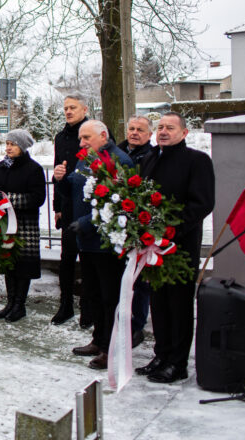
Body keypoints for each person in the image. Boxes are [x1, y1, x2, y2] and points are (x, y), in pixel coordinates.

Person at [135, 112, 215, 384]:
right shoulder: (149, 158)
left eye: (170, 127)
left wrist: (171, 230)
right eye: (160, 127)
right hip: (152, 247)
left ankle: (177, 363)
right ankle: (161, 354)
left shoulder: (197, 161)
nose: (163, 132)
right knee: (158, 303)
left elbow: (202, 203)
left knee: (178, 305)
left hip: (179, 246)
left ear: (184, 132)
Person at [54, 120, 133, 370]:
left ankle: (111, 348)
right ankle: (98, 340)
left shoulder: (119, 160)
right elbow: (75, 192)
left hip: (106, 242)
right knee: (94, 295)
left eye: (86, 138)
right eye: (80, 138)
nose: (81, 143)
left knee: (110, 298)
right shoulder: (85, 158)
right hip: (86, 241)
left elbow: (117, 202)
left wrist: (87, 223)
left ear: (103, 135)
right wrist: (62, 180)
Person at [0, 129, 46, 322]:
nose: (8, 147)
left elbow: (37, 198)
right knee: (8, 264)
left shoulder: (34, 169)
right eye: (7, 143)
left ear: (23, 146)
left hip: (24, 224)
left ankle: (20, 305)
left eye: (13, 144)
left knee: (23, 266)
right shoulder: (1, 166)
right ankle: (10, 302)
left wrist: (7, 200)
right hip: (4, 223)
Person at [51, 93, 91, 326]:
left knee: (87, 261)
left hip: (88, 205)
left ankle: (88, 309)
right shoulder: (61, 137)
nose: (68, 111)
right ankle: (65, 305)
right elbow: (58, 172)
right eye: (65, 108)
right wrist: (57, 206)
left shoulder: (96, 132)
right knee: (66, 259)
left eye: (73, 107)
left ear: (84, 109)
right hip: (67, 204)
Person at [117, 115, 154, 348]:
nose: (134, 133)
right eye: (131, 128)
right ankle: (120, 320)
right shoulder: (118, 153)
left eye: (140, 130)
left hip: (140, 223)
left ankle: (137, 325)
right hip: (117, 223)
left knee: (139, 280)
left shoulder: (151, 157)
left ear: (149, 134)